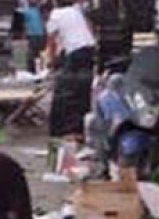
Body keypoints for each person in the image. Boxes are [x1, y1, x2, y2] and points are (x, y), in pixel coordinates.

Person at [46, 0, 96, 139]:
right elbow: (88, 29)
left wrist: (50, 61)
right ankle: (79, 128)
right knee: (83, 88)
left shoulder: (55, 14)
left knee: (66, 90)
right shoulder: (76, 11)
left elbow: (51, 40)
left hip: (76, 52)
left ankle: (64, 129)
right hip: (89, 49)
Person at [22, 0, 45, 72]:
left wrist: (24, 35)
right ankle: (36, 69)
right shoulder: (36, 11)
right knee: (36, 53)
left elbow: (25, 25)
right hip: (38, 35)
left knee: (33, 53)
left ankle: (34, 69)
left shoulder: (29, 11)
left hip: (34, 35)